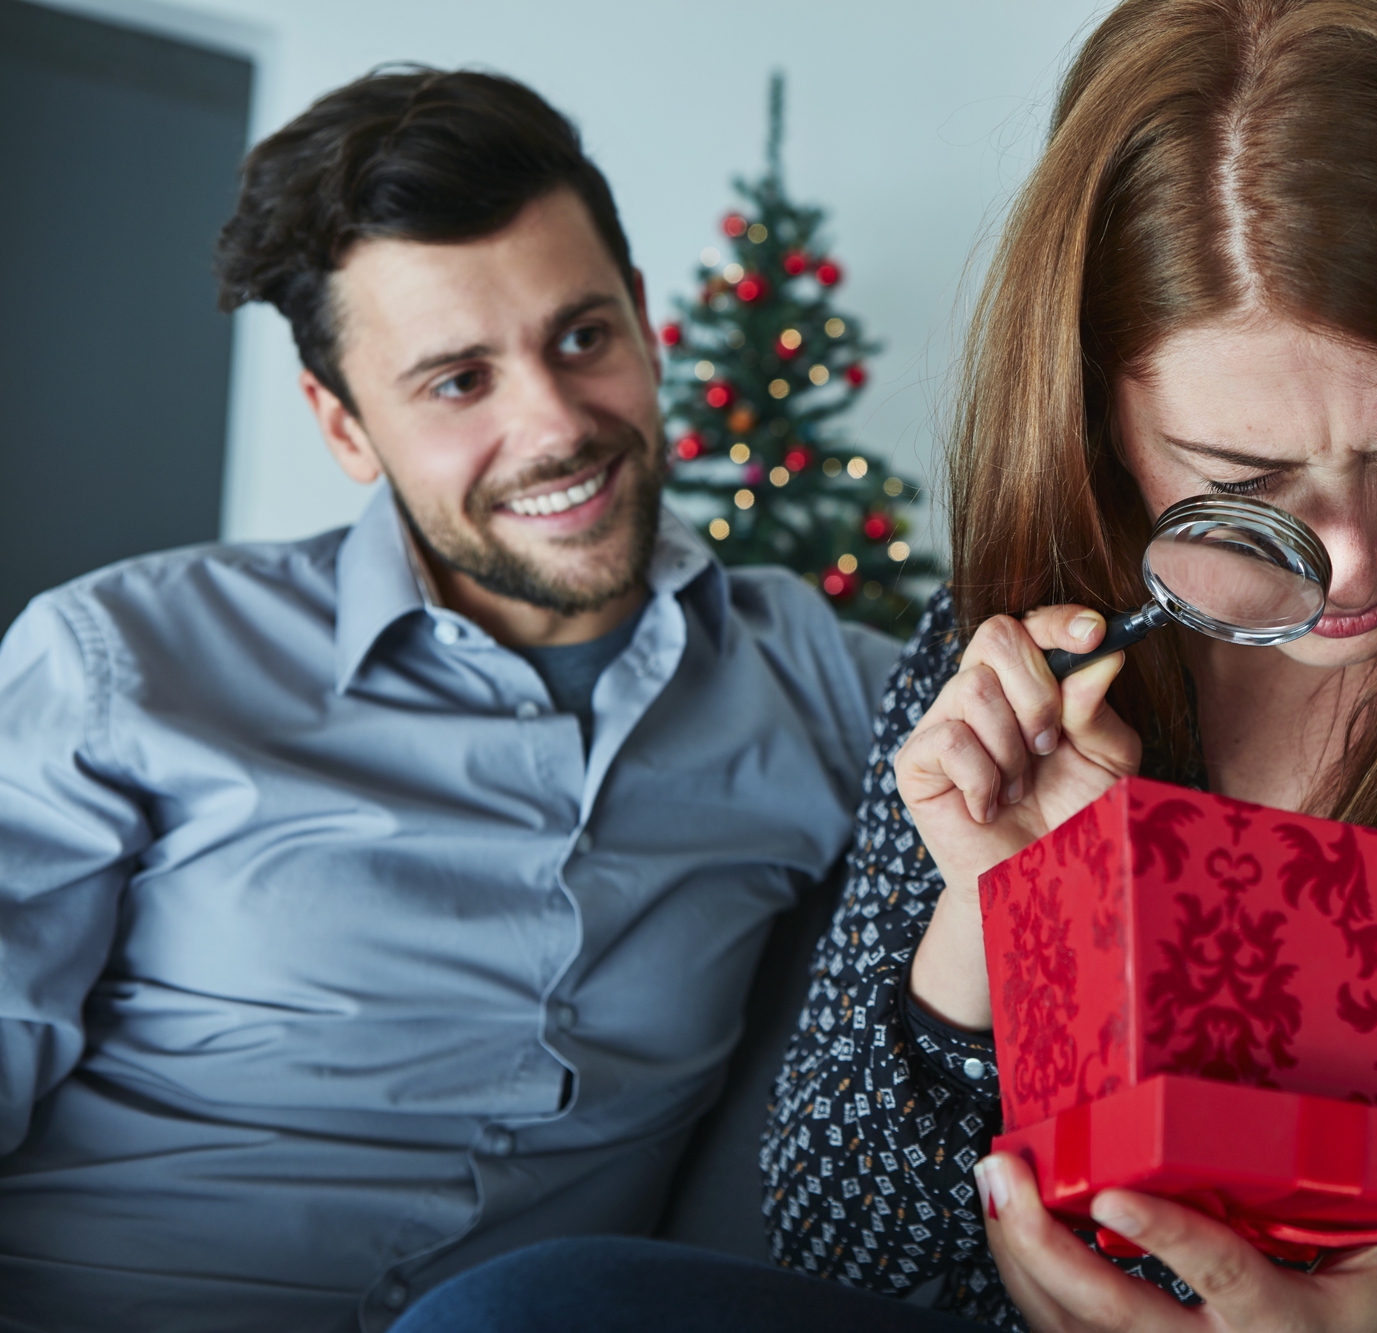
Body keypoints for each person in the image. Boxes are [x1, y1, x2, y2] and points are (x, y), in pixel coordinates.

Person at [398, 0, 1377, 1329]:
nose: (1342, 558)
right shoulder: (1018, 670)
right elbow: (848, 1252)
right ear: (1101, 417)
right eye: (1242, 475)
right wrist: (987, 930)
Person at [0, 68, 898, 1332]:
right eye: (456, 381)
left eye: (582, 336)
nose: (554, 425)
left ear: (645, 322)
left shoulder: (816, 679)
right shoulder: (121, 663)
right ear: (345, 426)